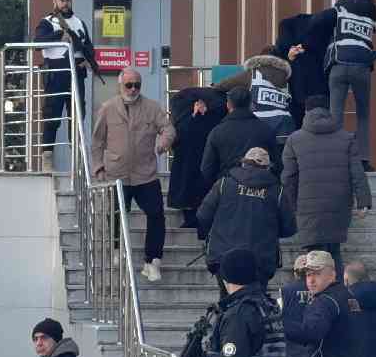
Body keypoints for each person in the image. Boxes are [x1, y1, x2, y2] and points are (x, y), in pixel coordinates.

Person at [91, 68, 176, 282]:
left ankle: (153, 260)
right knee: (117, 213)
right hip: (116, 172)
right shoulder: (108, 108)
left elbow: (168, 128)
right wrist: (98, 166)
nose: (133, 89)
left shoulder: (152, 107)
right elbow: (98, 141)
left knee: (156, 214)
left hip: (145, 172)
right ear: (120, 86)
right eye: (129, 85)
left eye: (137, 85)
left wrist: (163, 143)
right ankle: (117, 248)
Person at [281, 95, 372, 276]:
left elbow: (289, 177)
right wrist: (363, 201)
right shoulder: (346, 138)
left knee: (312, 256)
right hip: (338, 204)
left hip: (307, 206)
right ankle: (337, 290)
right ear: (328, 111)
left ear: (306, 111)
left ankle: (315, 297)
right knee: (334, 251)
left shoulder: (294, 140)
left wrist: (290, 206)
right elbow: (357, 172)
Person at [197, 148, 296, 295]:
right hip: (260, 260)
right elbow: (289, 227)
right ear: (267, 168)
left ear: (244, 163)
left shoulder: (224, 184)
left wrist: (208, 236)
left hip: (223, 254)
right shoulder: (277, 192)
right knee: (255, 305)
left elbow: (203, 215)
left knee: (226, 302)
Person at [307, 0, 376, 172]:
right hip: (362, 68)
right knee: (363, 114)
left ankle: (335, 157)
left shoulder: (339, 10)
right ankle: (363, 159)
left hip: (339, 64)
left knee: (336, 113)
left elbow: (315, 22)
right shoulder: (371, 16)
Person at [34, 0, 100, 173]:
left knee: (78, 117)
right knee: (51, 117)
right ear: (54, 1)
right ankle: (47, 159)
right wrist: (58, 36)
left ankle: (78, 161)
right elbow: (37, 43)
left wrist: (88, 61)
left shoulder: (79, 22)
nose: (66, 3)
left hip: (76, 74)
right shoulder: (47, 22)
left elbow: (88, 47)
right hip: (56, 74)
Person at [167, 86, 228, 228]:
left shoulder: (183, 115)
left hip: (189, 161)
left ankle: (191, 218)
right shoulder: (215, 115)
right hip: (200, 162)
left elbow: (179, 136)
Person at [212, 47, 296, 144]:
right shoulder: (286, 78)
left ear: (260, 58)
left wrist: (214, 86)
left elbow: (224, 85)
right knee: (280, 157)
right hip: (285, 124)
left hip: (259, 123)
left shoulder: (253, 74)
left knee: (257, 156)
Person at [200, 86, 279, 189]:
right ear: (251, 105)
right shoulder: (266, 130)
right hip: (260, 191)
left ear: (228, 105)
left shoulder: (217, 132)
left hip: (227, 188)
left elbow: (206, 169)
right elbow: (277, 164)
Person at [274, 14, 331, 131]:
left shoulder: (286, 44)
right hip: (320, 91)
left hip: (295, 92)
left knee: (297, 122)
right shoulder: (320, 39)